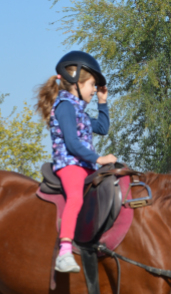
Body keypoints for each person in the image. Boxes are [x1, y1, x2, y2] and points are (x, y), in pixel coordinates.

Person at [37, 51, 117, 273]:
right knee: (74, 198)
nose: (94, 89)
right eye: (92, 85)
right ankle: (64, 253)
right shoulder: (64, 106)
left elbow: (102, 128)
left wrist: (103, 102)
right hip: (70, 165)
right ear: (76, 82)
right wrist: (99, 158)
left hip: (85, 166)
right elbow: (72, 143)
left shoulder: (78, 110)